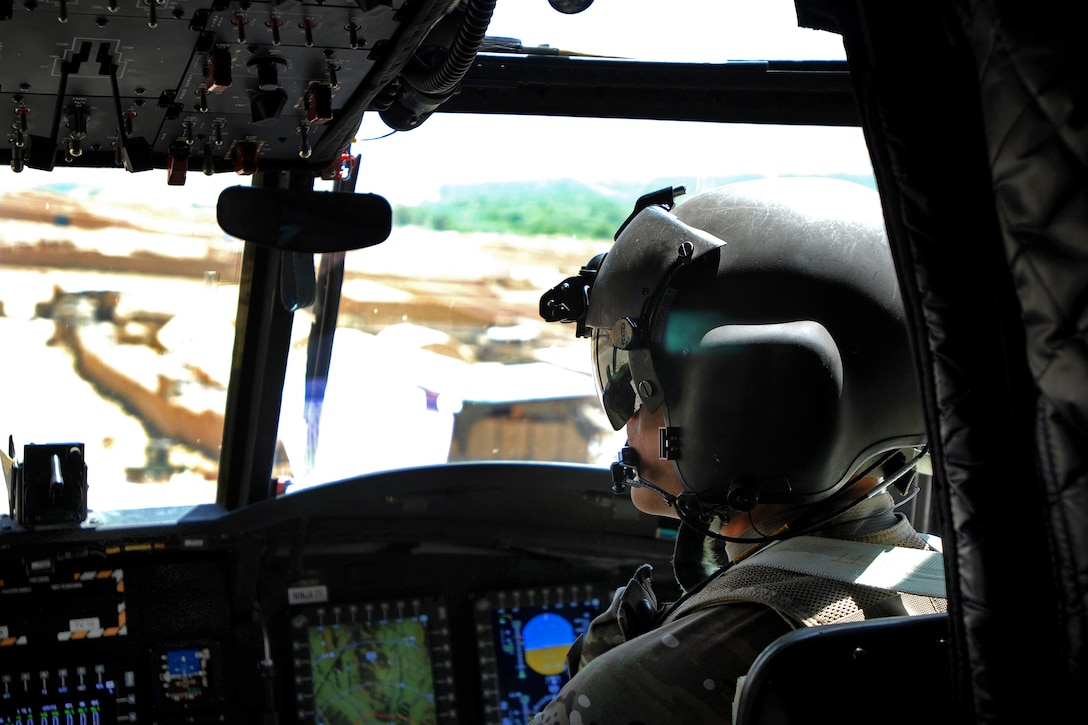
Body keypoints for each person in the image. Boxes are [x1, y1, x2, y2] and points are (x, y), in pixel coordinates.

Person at [534, 177, 947, 723]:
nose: (626, 419)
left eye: (636, 385)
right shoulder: (959, 589)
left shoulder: (640, 686)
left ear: (740, 403)